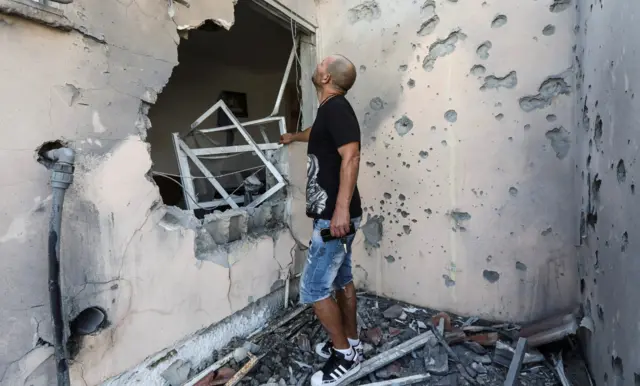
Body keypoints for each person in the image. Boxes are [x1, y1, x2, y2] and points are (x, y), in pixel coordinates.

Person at [279, 54, 363, 386]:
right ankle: (352, 343)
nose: (317, 66)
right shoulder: (330, 112)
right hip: (336, 217)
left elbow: (351, 155)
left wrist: (339, 211)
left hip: (333, 219)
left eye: (322, 64)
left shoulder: (338, 108)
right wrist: (295, 137)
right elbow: (318, 132)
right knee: (341, 279)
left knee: (313, 288)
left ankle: (345, 357)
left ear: (327, 78)